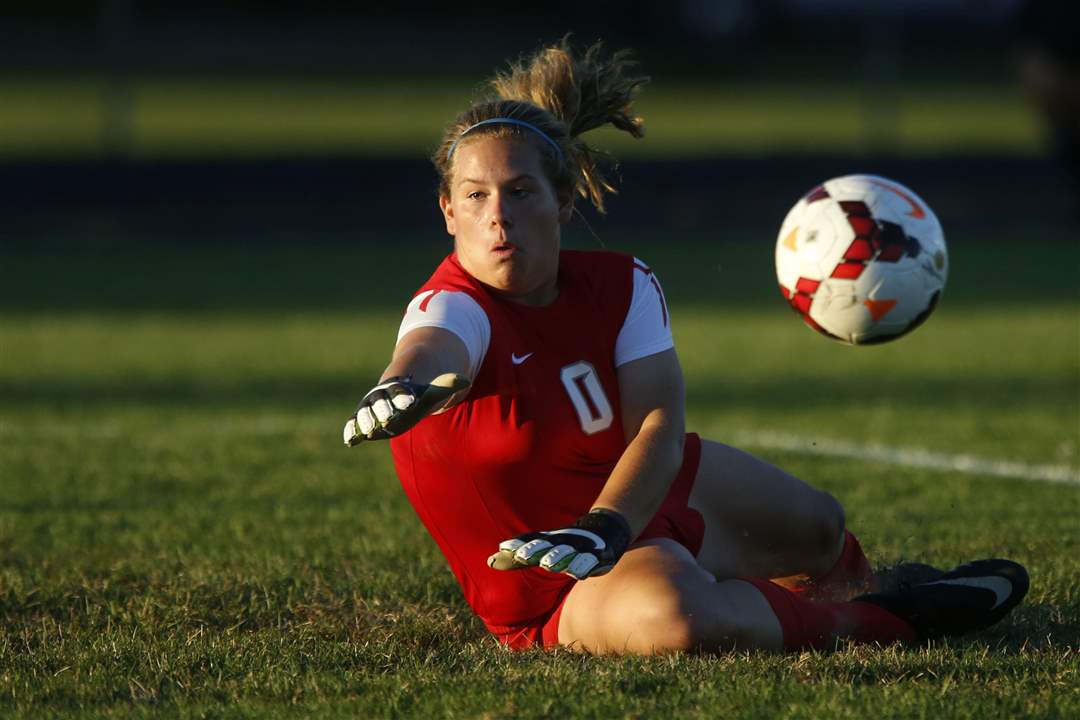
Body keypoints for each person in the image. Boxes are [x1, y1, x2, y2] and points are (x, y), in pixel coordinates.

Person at [343, 38, 1028, 654]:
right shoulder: (453, 302)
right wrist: (399, 385)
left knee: (821, 528)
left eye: (520, 192)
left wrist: (609, 522)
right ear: (448, 211)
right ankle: (889, 619)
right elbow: (432, 347)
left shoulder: (624, 285)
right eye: (475, 195)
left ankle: (860, 586)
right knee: (678, 620)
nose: (498, 215)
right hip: (551, 581)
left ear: (564, 200)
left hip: (630, 506)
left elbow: (657, 426)